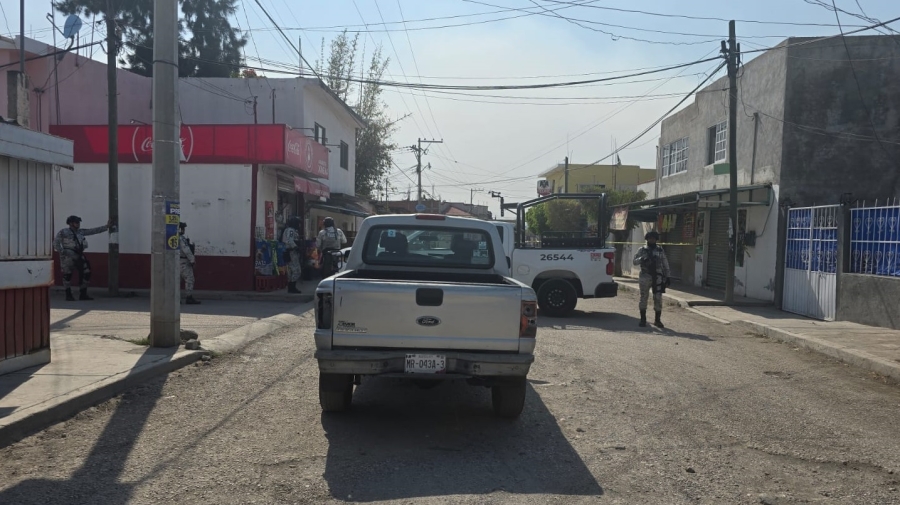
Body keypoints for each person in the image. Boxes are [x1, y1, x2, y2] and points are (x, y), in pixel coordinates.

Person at [54, 215, 112, 301]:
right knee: (67, 275)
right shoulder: (63, 232)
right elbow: (56, 243)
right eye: (76, 222)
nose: (78, 224)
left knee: (87, 272)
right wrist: (62, 252)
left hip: (79, 255)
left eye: (78, 222)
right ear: (70, 223)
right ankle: (68, 294)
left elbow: (93, 231)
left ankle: (83, 293)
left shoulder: (80, 232)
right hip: (67, 257)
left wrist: (106, 227)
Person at [633, 230, 671, 328]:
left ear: (656, 239)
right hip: (645, 276)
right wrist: (642, 259)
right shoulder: (642, 250)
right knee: (644, 297)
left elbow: (665, 264)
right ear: (647, 239)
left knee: (658, 298)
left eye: (654, 238)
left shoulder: (660, 250)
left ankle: (657, 320)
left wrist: (668, 277)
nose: (652, 240)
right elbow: (634, 262)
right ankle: (643, 320)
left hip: (657, 277)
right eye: (650, 238)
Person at [179, 222, 201, 305]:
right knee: (190, 279)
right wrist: (192, 260)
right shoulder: (181, 238)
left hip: (174, 261)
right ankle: (189, 297)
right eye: (182, 228)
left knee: (176, 281)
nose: (183, 230)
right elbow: (186, 250)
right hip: (184, 262)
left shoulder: (172, 238)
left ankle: (176, 298)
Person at [281, 217, 303, 294]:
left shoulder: (289, 230)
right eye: (298, 223)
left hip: (288, 251)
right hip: (292, 252)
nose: (299, 225)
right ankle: (292, 287)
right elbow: (289, 240)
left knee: (290, 270)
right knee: (297, 270)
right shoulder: (291, 230)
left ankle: (291, 287)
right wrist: (296, 247)